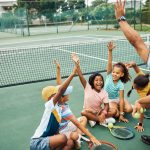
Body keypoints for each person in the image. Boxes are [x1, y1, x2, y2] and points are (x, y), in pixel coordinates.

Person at [114, 0, 150, 144]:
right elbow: (138, 43)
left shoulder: (143, 88)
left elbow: (137, 42)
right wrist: (135, 66)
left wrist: (121, 19)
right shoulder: (142, 78)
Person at [53, 60, 100, 149]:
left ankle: (78, 134)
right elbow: (77, 124)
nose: (69, 94)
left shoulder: (58, 101)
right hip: (62, 131)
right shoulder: (64, 110)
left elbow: (60, 85)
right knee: (75, 135)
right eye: (68, 93)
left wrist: (58, 69)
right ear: (63, 97)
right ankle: (78, 138)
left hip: (67, 124)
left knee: (84, 118)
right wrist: (91, 136)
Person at [30, 66, 76, 150]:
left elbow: (56, 132)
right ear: (50, 97)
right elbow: (61, 90)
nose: (58, 94)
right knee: (63, 138)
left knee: (70, 143)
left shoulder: (58, 109)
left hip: (49, 141)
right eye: (56, 93)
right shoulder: (49, 105)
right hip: (38, 143)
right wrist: (72, 74)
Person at [71, 53, 116, 128]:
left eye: (101, 80)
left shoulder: (104, 92)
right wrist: (76, 63)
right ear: (92, 82)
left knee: (114, 111)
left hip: (98, 111)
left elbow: (106, 105)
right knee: (83, 112)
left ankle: (94, 119)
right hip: (88, 111)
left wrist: (103, 113)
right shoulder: (87, 87)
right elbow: (80, 75)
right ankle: (100, 120)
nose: (99, 82)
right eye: (96, 80)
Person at [104, 41, 132, 123]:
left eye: (117, 73)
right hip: (110, 99)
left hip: (117, 99)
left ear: (122, 75)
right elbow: (109, 62)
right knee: (116, 114)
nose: (114, 74)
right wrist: (110, 51)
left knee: (130, 109)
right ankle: (114, 108)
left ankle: (119, 108)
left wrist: (122, 115)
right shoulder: (109, 75)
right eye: (114, 72)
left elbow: (121, 98)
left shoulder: (120, 84)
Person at [126, 61, 150, 132]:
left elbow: (141, 110)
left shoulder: (144, 92)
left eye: (135, 87)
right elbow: (136, 67)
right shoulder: (142, 77)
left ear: (141, 88)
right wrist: (133, 64)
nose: (133, 86)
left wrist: (140, 124)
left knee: (141, 105)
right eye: (134, 84)